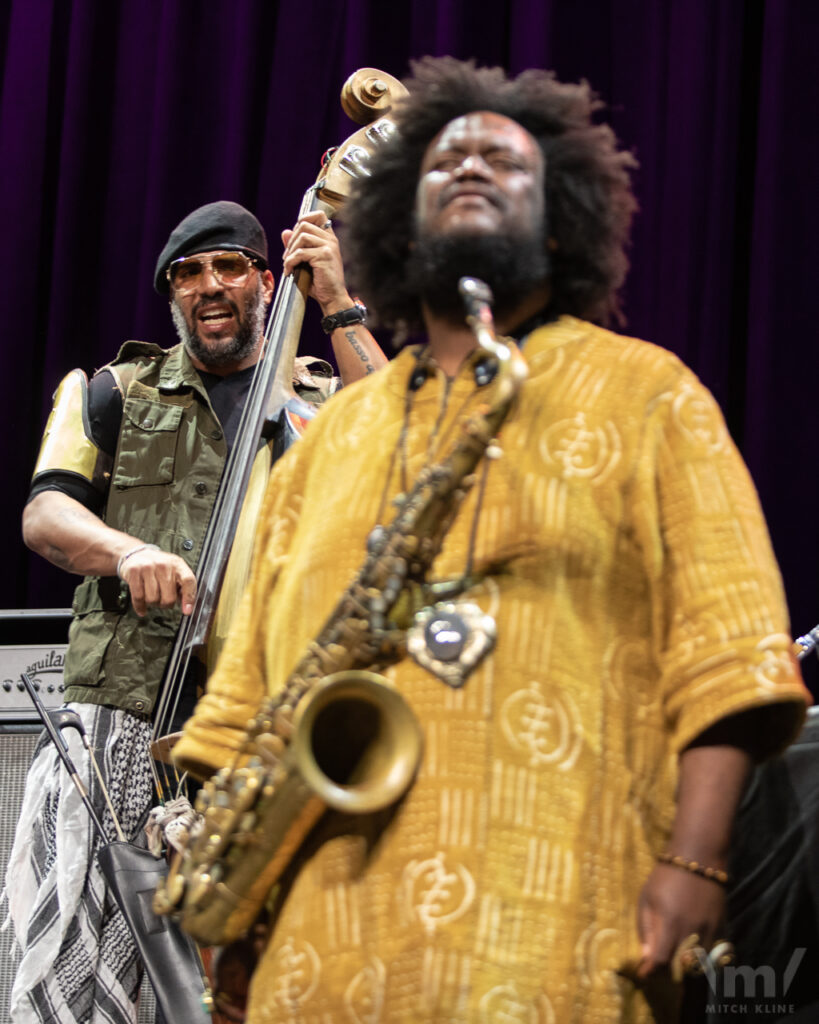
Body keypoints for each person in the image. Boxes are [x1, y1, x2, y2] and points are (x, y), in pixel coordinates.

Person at [175, 60, 810, 1024]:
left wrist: (692, 861)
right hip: (319, 958)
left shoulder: (652, 394)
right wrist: (230, 909)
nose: (470, 166)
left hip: (559, 935)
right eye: (439, 165)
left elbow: (729, 654)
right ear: (394, 224)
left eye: (509, 166)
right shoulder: (325, 441)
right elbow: (247, 704)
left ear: (561, 224)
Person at [5, 199, 385, 1024]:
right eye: (188, 273)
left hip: (273, 723)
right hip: (124, 716)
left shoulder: (326, 400)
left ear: (263, 277)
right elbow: (45, 514)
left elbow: (410, 447)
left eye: (229, 266)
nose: (209, 286)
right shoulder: (113, 391)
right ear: (172, 295)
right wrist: (126, 551)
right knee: (85, 961)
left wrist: (336, 302)